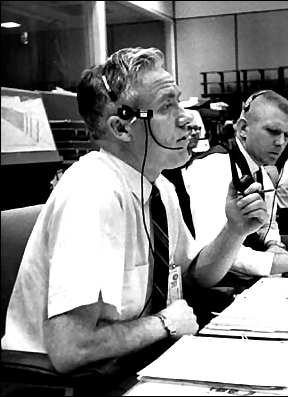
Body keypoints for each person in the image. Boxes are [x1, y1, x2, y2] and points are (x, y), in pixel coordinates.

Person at [1, 47, 268, 374]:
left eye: (178, 101)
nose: (187, 119)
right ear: (122, 127)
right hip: (77, 383)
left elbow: (194, 275)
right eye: (168, 106)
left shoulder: (159, 188)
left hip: (143, 359)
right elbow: (72, 347)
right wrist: (164, 323)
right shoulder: (90, 194)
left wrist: (234, 230)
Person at [183, 90, 288, 287]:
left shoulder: (260, 171)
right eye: (273, 131)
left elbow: (268, 224)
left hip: (250, 278)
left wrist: (273, 245)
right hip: (219, 290)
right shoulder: (212, 167)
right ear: (243, 128)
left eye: (287, 135)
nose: (281, 142)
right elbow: (214, 253)